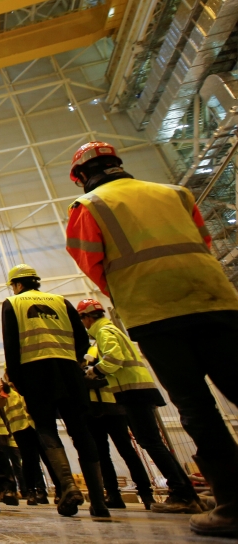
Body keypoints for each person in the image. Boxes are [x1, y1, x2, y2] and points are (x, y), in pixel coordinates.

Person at [66, 140, 238, 536]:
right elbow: (204, 241)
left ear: (81, 178)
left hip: (155, 310)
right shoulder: (175, 193)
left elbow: (90, 261)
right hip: (216, 297)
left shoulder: (88, 207)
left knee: (197, 407)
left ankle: (233, 503)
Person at [1, 263, 109, 518]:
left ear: (17, 285)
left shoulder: (12, 303)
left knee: (46, 428)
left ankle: (68, 485)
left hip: (35, 371)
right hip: (68, 370)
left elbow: (11, 345)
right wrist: (73, 362)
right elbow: (82, 339)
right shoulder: (62, 301)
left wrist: (17, 380)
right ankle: (98, 501)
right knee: (80, 429)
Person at [78, 298, 200, 512]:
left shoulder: (105, 332)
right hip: (135, 391)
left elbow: (114, 359)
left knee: (151, 443)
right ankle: (186, 492)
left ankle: (182, 493)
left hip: (133, 391)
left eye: (83, 320)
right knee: (151, 442)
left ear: (86, 317)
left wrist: (93, 372)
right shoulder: (110, 331)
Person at [81, 338, 153, 510]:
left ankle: (137, 493)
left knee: (114, 452)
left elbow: (92, 376)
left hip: (102, 406)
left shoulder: (93, 350)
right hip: (109, 406)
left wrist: (85, 377)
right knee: (118, 452)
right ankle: (134, 494)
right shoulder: (96, 349)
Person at [0, 378, 47, 505]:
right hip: (18, 427)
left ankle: (46, 490)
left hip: (34, 424)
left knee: (44, 457)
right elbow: (0, 403)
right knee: (28, 460)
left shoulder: (26, 381)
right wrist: (2, 391)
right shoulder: (6, 387)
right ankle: (30, 491)